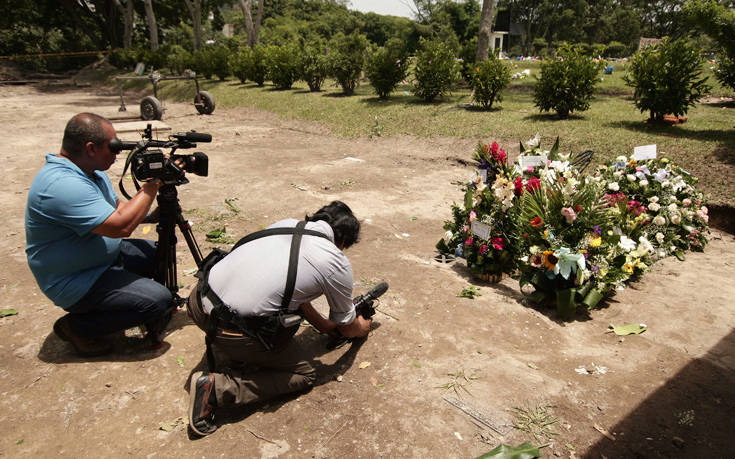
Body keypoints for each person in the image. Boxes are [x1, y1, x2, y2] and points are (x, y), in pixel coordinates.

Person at [186, 201, 372, 436]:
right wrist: (361, 327)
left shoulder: (286, 224)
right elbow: (347, 328)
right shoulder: (334, 261)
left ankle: (235, 350)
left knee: (281, 310)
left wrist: (323, 324)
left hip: (197, 302)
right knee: (305, 374)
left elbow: (288, 289)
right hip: (229, 327)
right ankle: (217, 389)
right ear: (343, 242)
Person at [25, 113, 172, 357]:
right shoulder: (62, 184)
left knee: (160, 254)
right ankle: (76, 328)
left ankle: (121, 301)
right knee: (157, 301)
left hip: (99, 256)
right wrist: (152, 184)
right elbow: (120, 227)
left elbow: (116, 209)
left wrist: (149, 214)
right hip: (75, 280)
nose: (117, 155)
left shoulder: (90, 170)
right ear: (91, 148)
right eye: (113, 148)